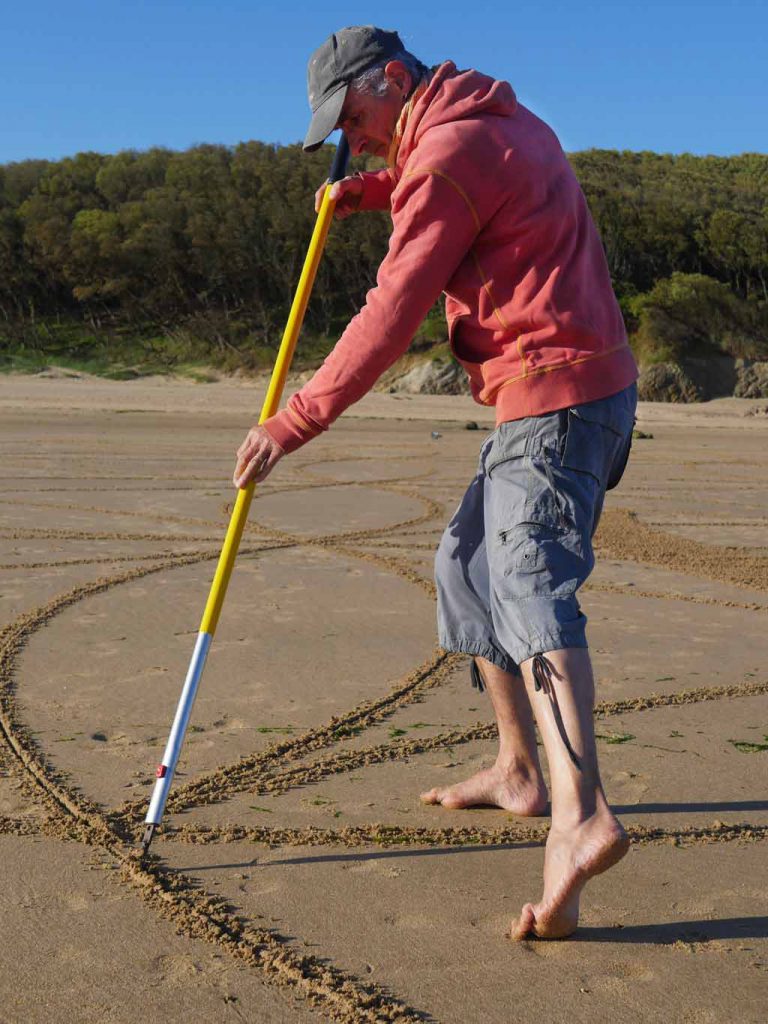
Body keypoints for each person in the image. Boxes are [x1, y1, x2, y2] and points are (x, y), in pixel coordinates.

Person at [234, 25, 639, 940]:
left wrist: (294, 421)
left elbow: (393, 309)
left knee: (530, 583)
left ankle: (581, 815)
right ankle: (519, 771)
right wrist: (373, 190)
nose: (353, 134)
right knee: (465, 565)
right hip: (559, 389)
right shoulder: (485, 120)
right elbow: (461, 188)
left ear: (390, 77)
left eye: (355, 116)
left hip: (557, 396)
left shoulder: (450, 149)